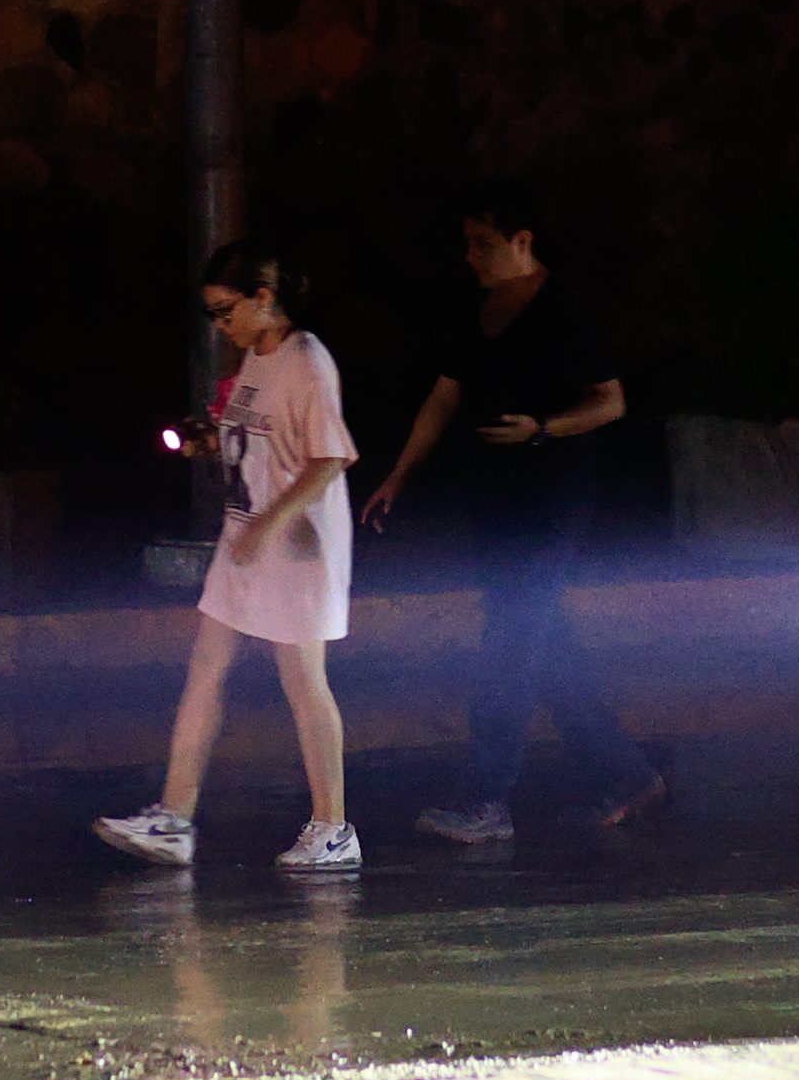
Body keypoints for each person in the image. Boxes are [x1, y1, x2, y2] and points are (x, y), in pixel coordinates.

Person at [367, 179, 656, 846]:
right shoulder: (476, 308)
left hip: (552, 495)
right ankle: (627, 773)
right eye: (468, 242)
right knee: (539, 638)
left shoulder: (562, 308)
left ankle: (485, 798)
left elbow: (609, 400)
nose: (471, 255)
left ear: (522, 241)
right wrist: (398, 476)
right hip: (494, 496)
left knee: (512, 639)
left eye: (484, 243)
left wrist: (542, 428)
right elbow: (443, 396)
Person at [94, 241, 363, 875]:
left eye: (225, 311)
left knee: (302, 681)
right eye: (212, 315)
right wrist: (211, 440)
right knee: (204, 670)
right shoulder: (254, 360)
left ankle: (333, 828)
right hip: (244, 540)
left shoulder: (307, 362)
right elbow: (259, 441)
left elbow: (331, 458)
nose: (221, 326)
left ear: (264, 300)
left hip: (295, 546)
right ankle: (174, 819)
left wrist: (270, 524)